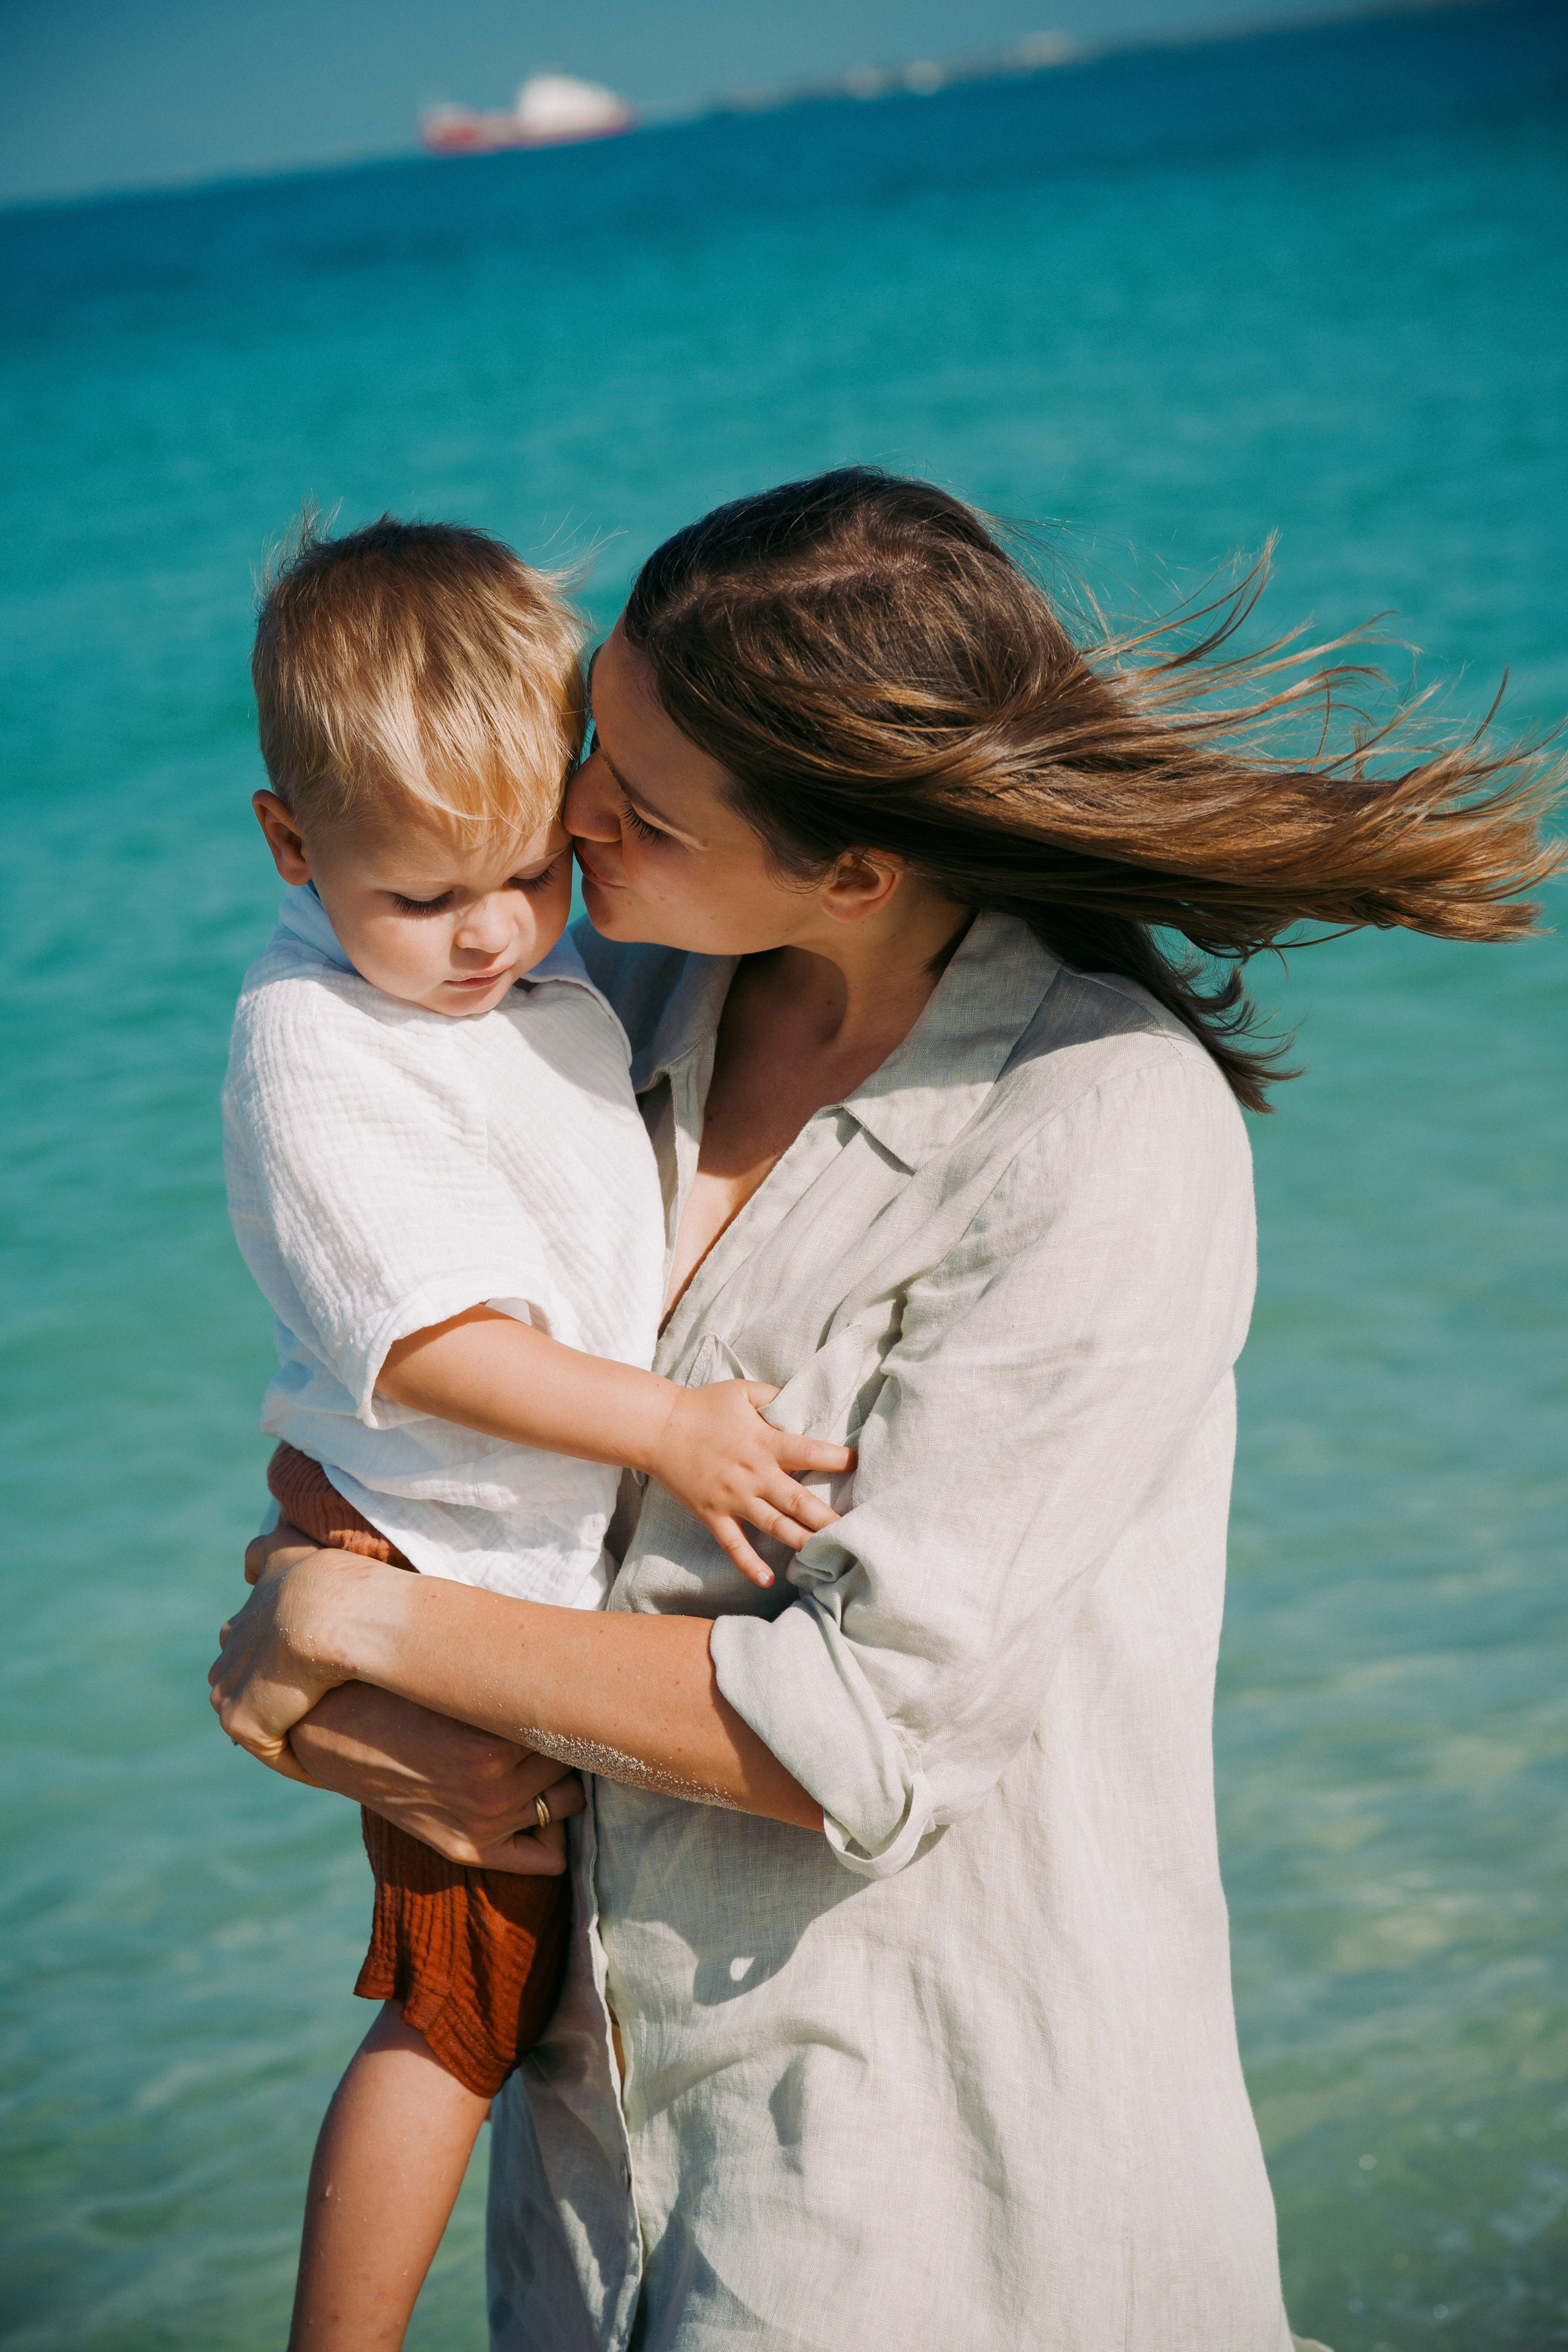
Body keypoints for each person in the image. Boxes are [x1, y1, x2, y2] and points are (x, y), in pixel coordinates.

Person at [214, 470, 1558, 2352]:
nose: (569, 810)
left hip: (916, 2209)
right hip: (593, 2194)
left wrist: (368, 1623)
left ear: (850, 869)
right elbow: (418, 1412)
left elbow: (852, 1731)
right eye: (602, 737)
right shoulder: (616, 994)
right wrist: (306, 1628)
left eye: (640, 806)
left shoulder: (1100, 1127)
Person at [226, 516, 853, 2351]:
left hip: (499, 1559)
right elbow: (424, 1347)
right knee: (460, 2002)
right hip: (430, 1556)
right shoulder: (316, 1045)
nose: (490, 933)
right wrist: (667, 1427)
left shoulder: (516, 976)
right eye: (423, 899)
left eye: (525, 874)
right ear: (289, 845)